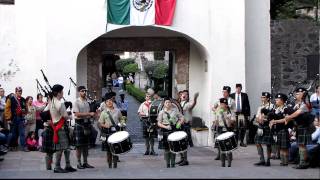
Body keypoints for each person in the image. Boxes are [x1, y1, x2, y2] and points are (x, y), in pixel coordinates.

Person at [48, 84, 76, 173]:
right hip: (61, 127)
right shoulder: (60, 103)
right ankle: (57, 166)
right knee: (61, 148)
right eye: (62, 91)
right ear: (59, 93)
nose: (63, 93)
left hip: (57, 126)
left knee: (66, 147)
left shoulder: (51, 101)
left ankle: (67, 165)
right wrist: (71, 116)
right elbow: (65, 116)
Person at [283, 88, 313, 169]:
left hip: (304, 127)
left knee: (302, 145)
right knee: (301, 145)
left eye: (298, 94)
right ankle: (304, 162)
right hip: (299, 126)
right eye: (296, 94)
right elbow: (293, 113)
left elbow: (297, 113)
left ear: (303, 94)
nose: (296, 95)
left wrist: (288, 117)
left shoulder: (305, 104)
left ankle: (303, 163)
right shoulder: (297, 103)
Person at [157, 97, 185, 168]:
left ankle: (173, 163)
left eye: (169, 102)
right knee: (166, 148)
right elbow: (159, 123)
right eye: (166, 102)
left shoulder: (175, 111)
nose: (168, 104)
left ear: (171, 103)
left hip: (174, 129)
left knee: (174, 147)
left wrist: (179, 123)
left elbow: (182, 118)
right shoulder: (161, 112)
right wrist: (165, 127)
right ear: (164, 104)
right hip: (165, 130)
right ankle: (167, 163)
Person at [99, 92, 123, 168]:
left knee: (115, 148)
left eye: (110, 101)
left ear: (113, 102)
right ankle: (109, 164)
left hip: (115, 132)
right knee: (108, 150)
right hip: (107, 132)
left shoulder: (118, 111)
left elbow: (122, 119)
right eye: (107, 101)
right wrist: (105, 125)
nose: (109, 102)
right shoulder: (103, 112)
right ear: (105, 103)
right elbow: (100, 123)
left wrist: (120, 124)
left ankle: (115, 164)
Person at [73, 86, 95, 169]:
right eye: (82, 91)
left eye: (85, 91)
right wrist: (89, 114)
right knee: (79, 146)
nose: (84, 92)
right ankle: (79, 163)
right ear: (79, 92)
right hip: (79, 124)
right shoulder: (76, 102)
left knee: (86, 145)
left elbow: (89, 113)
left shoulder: (87, 102)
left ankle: (85, 162)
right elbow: (77, 114)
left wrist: (93, 114)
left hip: (87, 124)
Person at [176, 90, 199, 166]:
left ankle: (185, 160)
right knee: (179, 142)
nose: (184, 95)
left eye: (186, 94)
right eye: (183, 94)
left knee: (184, 143)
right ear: (180, 95)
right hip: (179, 125)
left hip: (185, 125)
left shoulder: (188, 104)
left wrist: (195, 99)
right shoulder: (178, 104)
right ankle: (182, 158)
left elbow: (193, 104)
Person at [212, 86, 235, 160]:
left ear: (228, 92)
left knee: (227, 140)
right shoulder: (219, 100)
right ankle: (219, 154)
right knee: (218, 140)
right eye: (223, 92)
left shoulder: (231, 100)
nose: (224, 93)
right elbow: (213, 107)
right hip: (220, 120)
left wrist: (223, 107)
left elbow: (232, 109)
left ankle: (228, 155)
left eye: (225, 92)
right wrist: (216, 110)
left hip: (228, 120)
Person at [269, 93, 292, 166]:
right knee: (280, 146)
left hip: (283, 129)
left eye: (277, 99)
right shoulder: (275, 109)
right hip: (277, 130)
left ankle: (286, 161)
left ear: (282, 101)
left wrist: (275, 121)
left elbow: (285, 119)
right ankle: (282, 161)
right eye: (275, 99)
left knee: (284, 147)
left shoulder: (286, 109)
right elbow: (271, 117)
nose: (276, 100)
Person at [253, 92, 275, 166]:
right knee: (257, 142)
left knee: (268, 144)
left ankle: (268, 160)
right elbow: (256, 117)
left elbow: (272, 117)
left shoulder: (271, 106)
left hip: (267, 126)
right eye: (261, 97)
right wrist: (258, 120)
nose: (262, 99)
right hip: (260, 126)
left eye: (264, 97)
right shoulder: (260, 107)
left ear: (268, 98)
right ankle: (262, 159)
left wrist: (265, 119)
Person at [5, 87, 28, 152]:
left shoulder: (23, 99)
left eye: (21, 91)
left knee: (22, 133)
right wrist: (8, 118)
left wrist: (24, 111)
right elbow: (7, 109)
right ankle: (12, 146)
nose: (20, 92)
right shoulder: (11, 98)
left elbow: (26, 109)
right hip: (13, 118)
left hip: (21, 118)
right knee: (13, 134)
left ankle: (24, 147)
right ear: (16, 91)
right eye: (18, 91)